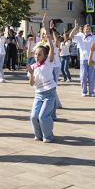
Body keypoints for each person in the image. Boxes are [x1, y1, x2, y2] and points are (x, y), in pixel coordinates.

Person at [27, 13, 57, 143]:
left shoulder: (48, 62)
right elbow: (31, 83)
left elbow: (51, 48)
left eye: (39, 54)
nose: (37, 56)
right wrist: (31, 74)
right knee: (34, 117)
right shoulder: (33, 66)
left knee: (43, 116)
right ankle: (39, 135)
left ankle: (48, 136)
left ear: (44, 55)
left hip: (50, 93)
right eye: (36, 54)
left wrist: (45, 26)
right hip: (38, 94)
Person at [70, 20, 95, 96]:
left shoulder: (93, 37)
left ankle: (91, 91)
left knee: (91, 76)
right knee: (83, 76)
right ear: (83, 30)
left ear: (90, 30)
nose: (87, 29)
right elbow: (70, 36)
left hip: (92, 59)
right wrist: (75, 28)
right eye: (86, 28)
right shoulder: (80, 36)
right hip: (83, 59)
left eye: (89, 28)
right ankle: (84, 91)